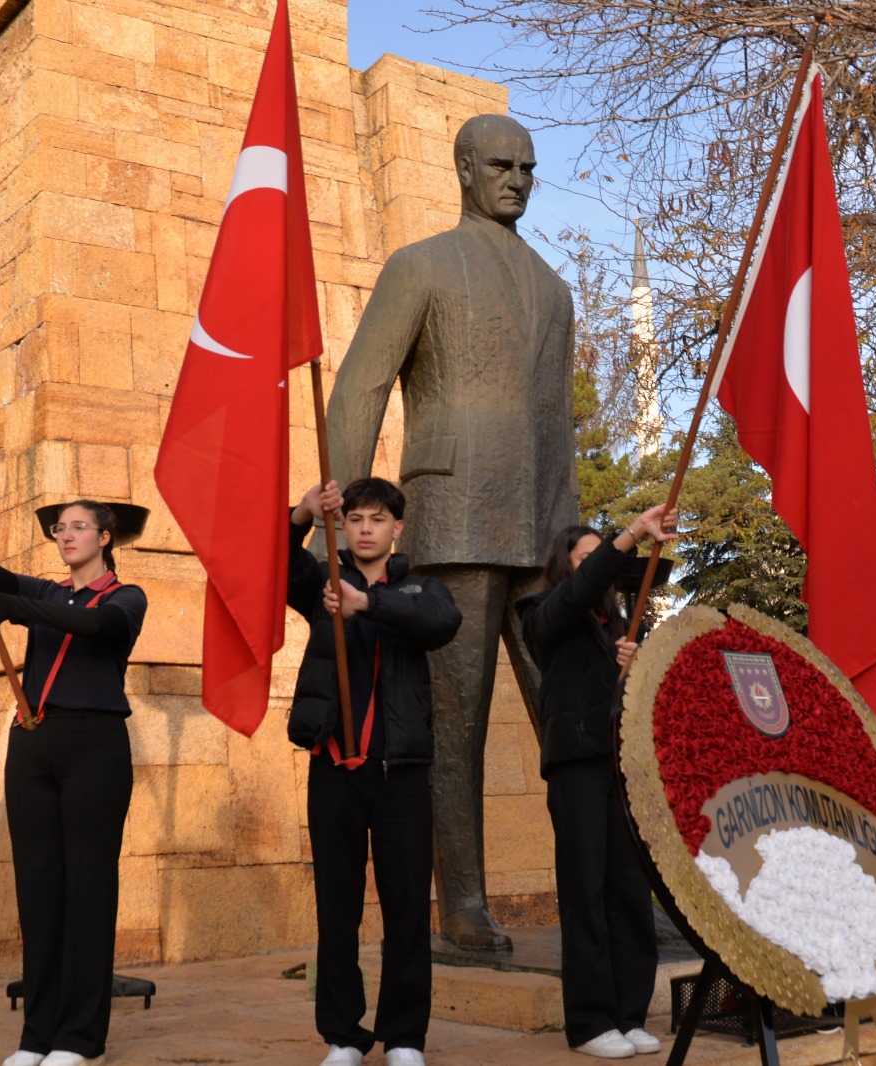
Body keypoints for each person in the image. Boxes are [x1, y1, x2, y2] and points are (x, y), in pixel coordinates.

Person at [325, 113, 578, 949]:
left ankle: (605, 887)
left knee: (577, 725)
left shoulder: (554, 288)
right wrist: (343, 507)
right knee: (454, 733)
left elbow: (557, 424)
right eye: (500, 164)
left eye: (527, 167)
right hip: (454, 521)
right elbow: (361, 386)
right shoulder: (422, 266)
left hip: (543, 532)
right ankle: (462, 905)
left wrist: (574, 542)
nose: (515, 178)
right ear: (464, 169)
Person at [0, 495, 148, 1066]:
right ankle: (38, 1035)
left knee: (87, 891)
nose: (66, 535)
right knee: (38, 892)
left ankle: (80, 1039)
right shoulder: (47, 590)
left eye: (79, 527)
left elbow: (93, 625)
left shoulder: (125, 597)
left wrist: (13, 607)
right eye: (60, 528)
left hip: (95, 744)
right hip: (33, 741)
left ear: (105, 537)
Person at [287, 478, 461, 1066]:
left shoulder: (420, 587)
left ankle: (405, 1036)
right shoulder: (322, 583)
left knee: (407, 906)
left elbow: (442, 621)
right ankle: (343, 1035)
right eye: (355, 518)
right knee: (337, 906)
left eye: (377, 520)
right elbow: (279, 568)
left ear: (396, 529)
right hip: (333, 767)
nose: (364, 528)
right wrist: (303, 514)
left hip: (401, 775)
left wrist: (369, 603)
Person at [516, 503, 675, 1059]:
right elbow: (576, 596)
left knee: (629, 892)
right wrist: (629, 535)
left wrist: (635, 662)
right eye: (585, 560)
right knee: (585, 890)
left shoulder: (624, 629)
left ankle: (629, 1014)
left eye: (598, 558)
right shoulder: (542, 612)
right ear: (565, 568)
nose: (596, 569)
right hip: (577, 764)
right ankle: (589, 1022)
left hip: (622, 766)